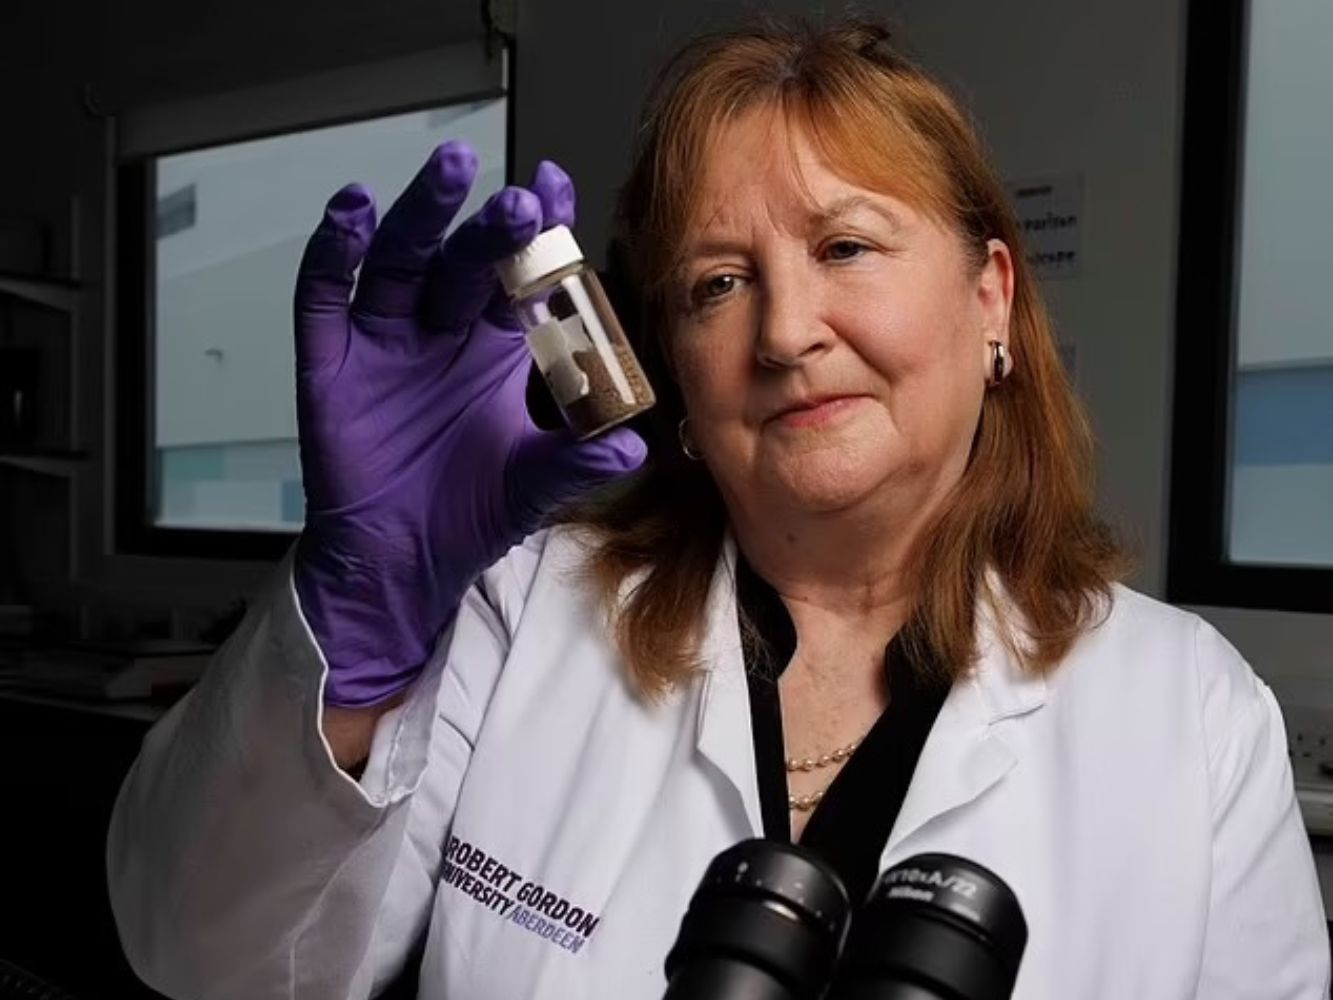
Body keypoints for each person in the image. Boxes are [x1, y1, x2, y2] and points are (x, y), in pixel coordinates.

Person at [107, 19, 1328, 1000]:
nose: (788, 332)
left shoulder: (1195, 715)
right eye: (719, 282)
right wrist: (353, 630)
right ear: (676, 370)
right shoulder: (526, 613)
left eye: (847, 247)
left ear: (991, 300)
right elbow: (204, 958)